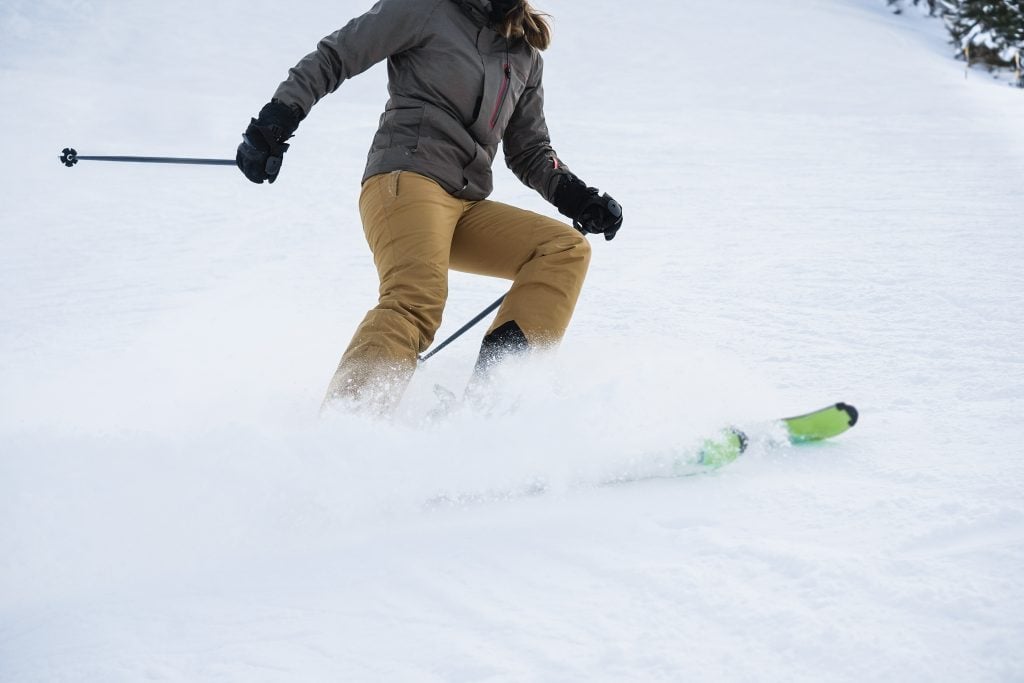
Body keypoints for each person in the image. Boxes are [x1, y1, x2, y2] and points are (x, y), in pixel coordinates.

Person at [237, 0, 623, 414]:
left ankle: (494, 405)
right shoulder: (426, 7)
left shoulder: (523, 52)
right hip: (407, 177)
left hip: (466, 200)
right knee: (415, 298)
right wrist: (276, 120)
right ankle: (347, 425)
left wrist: (575, 195)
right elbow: (337, 54)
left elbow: (529, 149)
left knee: (562, 250)